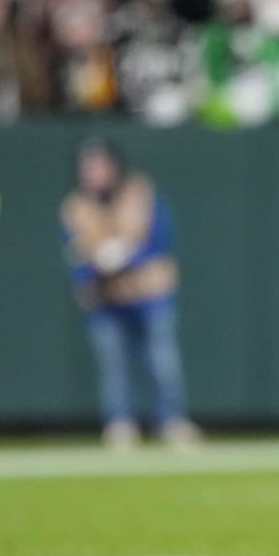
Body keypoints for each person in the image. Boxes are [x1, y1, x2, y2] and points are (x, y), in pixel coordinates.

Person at [60, 138, 200, 450]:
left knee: (162, 362)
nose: (92, 174)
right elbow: (74, 253)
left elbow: (160, 239)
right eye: (87, 168)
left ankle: (171, 420)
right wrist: (96, 270)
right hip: (107, 299)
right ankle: (120, 423)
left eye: (98, 167)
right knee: (114, 366)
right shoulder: (76, 206)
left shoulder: (141, 193)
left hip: (150, 292)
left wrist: (124, 259)